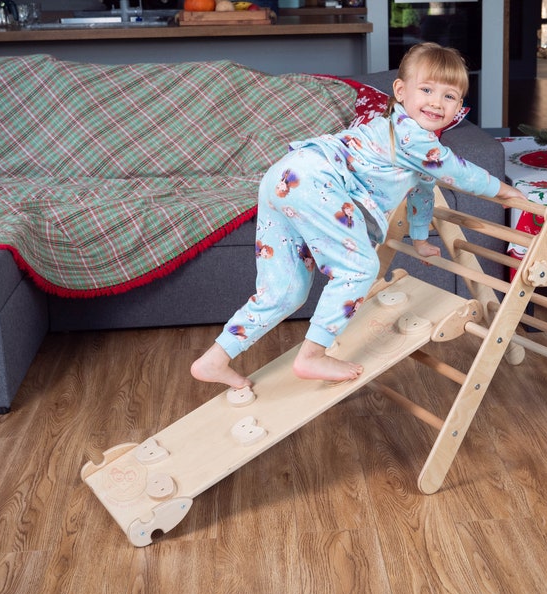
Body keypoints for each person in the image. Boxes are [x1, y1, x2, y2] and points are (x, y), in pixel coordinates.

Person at [191, 42, 526, 389]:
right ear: (401, 91)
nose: (437, 103)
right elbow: (459, 172)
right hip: (314, 180)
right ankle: (313, 355)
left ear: (459, 106)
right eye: (427, 90)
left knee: (284, 291)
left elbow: (423, 190)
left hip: (284, 177)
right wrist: (504, 190)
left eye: (450, 96)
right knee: (359, 267)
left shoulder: (421, 148)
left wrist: (422, 240)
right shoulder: (412, 137)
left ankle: (214, 359)